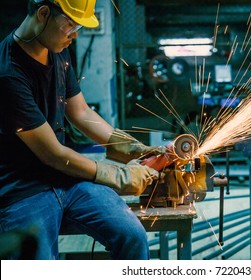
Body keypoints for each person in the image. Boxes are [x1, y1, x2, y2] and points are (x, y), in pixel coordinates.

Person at [0, 0, 165, 260]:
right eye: (71, 25)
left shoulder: (57, 50)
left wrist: (131, 148)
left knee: (132, 235)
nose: (75, 35)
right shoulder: (8, 74)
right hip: (25, 190)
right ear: (43, 13)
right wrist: (120, 175)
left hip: (68, 180)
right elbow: (53, 154)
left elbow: (81, 112)